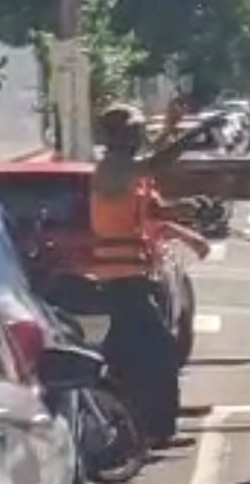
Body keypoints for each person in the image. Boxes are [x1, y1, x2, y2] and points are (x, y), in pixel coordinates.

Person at [91, 99, 228, 448]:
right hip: (123, 278)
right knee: (159, 353)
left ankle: (124, 423)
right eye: (136, 131)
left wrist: (179, 209)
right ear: (122, 137)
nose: (140, 136)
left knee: (124, 355)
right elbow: (155, 162)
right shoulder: (111, 169)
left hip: (132, 274)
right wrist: (193, 134)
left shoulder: (122, 169)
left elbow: (150, 186)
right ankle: (156, 430)